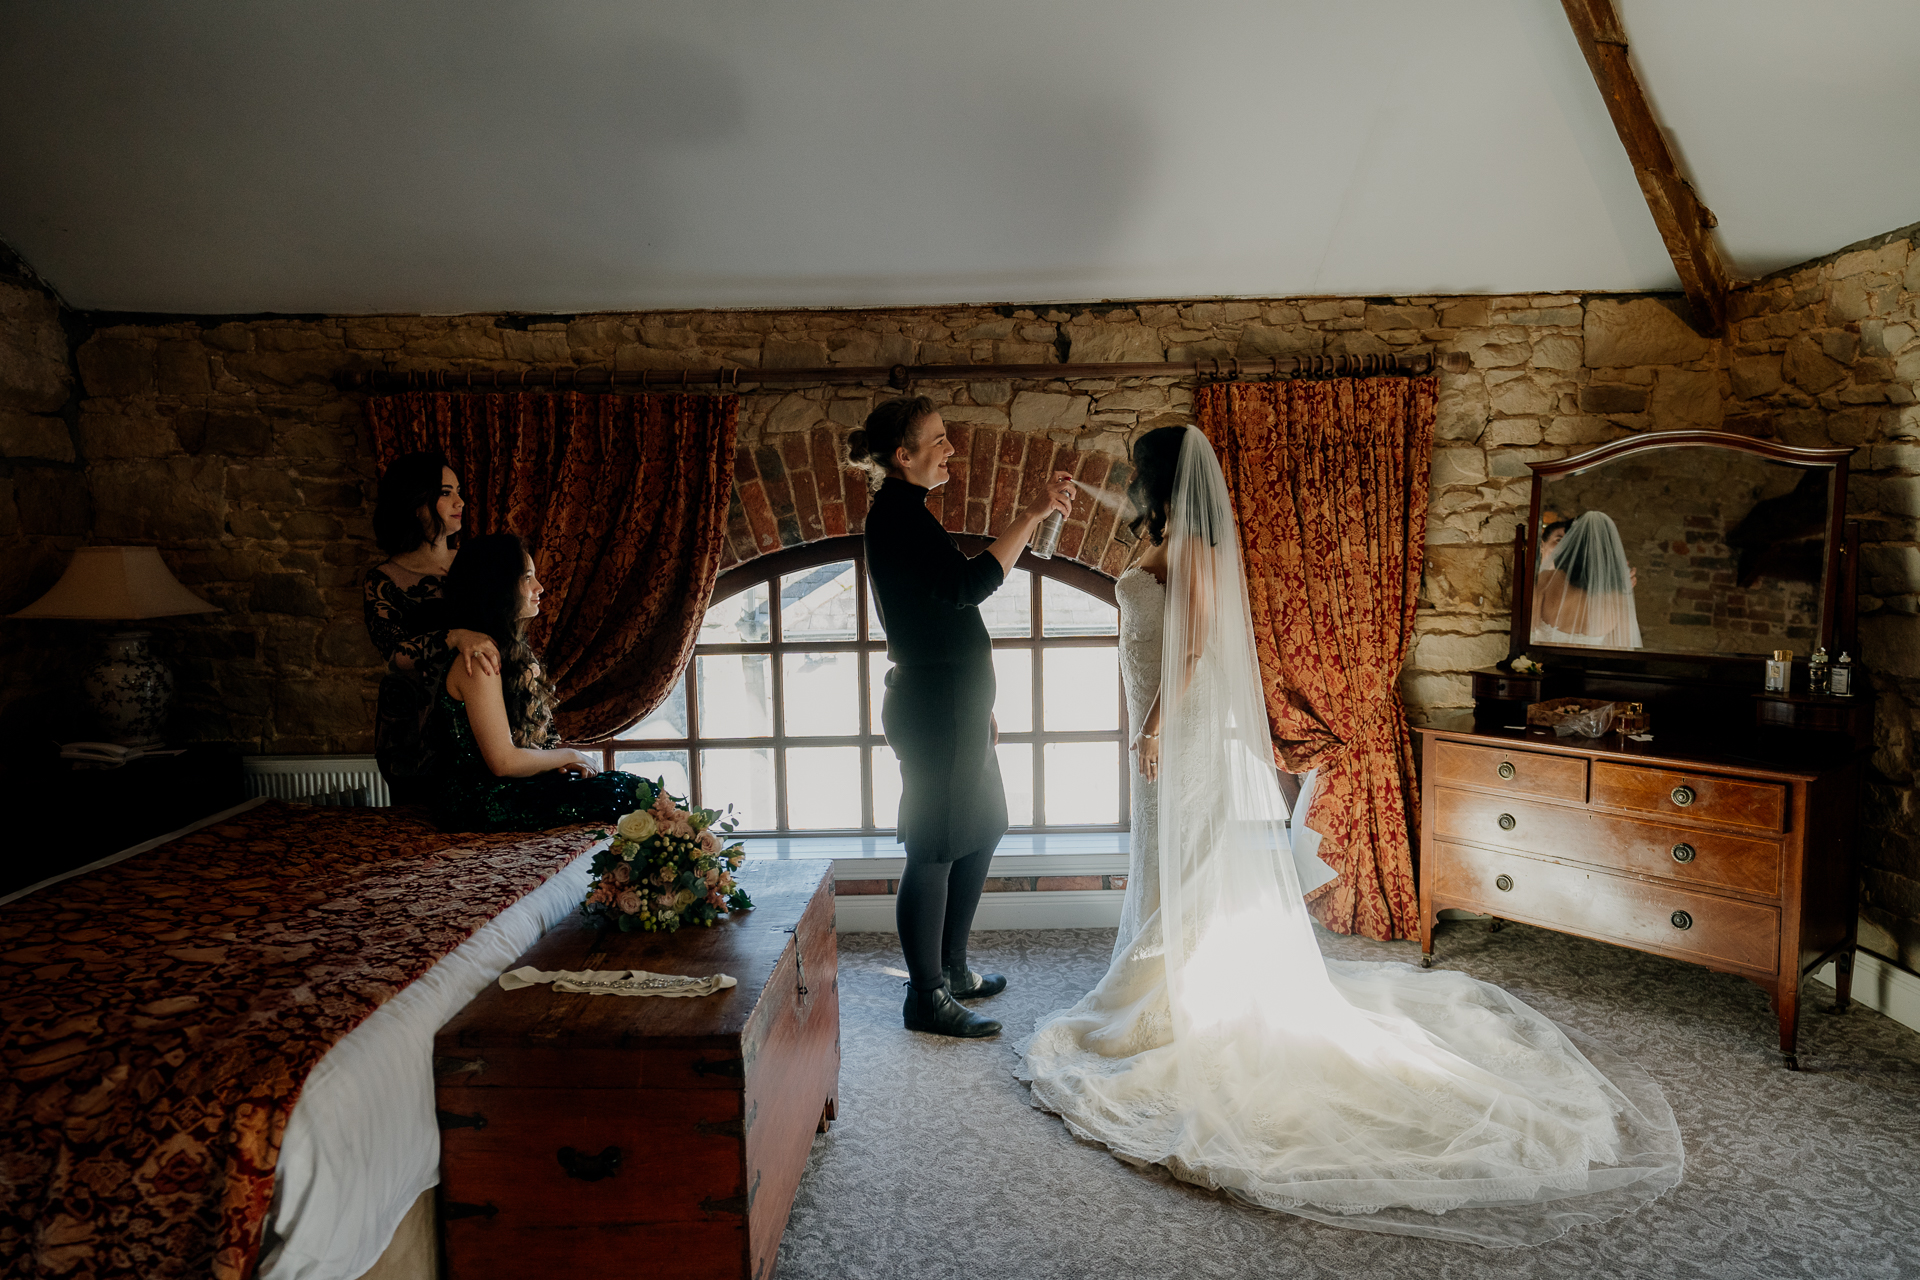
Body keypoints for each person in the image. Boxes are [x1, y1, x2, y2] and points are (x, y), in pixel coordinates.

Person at [1018, 427, 1683, 1246]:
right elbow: (1154, 571)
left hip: (1175, 732)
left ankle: (1182, 997)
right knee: (1166, 859)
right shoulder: (1177, 535)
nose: (1126, 487)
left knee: (1181, 861)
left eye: (1131, 478)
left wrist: (1153, 725)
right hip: (1162, 733)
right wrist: (1082, 500)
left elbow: (1190, 649)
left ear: (1159, 484)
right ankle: (1167, 980)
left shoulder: (1189, 548)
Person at [852, 396, 1074, 1039]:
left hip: (959, 706)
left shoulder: (908, 512)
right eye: (940, 440)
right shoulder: (896, 517)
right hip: (935, 709)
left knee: (984, 825)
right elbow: (970, 586)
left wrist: (981, 708)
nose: (950, 450)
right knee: (935, 845)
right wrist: (1031, 513)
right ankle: (925, 998)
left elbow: (941, 614)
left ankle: (952, 968)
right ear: (905, 455)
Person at [429, 533, 645, 832]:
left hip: (511, 787)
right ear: (498, 586)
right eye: (527, 577)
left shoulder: (512, 652)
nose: (539, 587)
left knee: (632, 789)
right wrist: (571, 755)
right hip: (481, 800)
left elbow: (528, 745)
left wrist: (557, 763)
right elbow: (502, 762)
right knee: (628, 794)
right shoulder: (478, 660)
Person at [364, 452, 501, 802]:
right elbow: (395, 655)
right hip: (417, 733)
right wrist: (453, 636)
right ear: (416, 504)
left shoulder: (476, 562)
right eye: (446, 492)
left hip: (483, 718)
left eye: (458, 490)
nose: (461, 501)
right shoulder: (383, 579)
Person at [1532, 510, 1643, 649]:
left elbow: (1526, 633)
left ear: (1571, 541)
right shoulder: (1619, 596)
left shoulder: (1545, 580)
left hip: (1544, 666)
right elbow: (1621, 651)